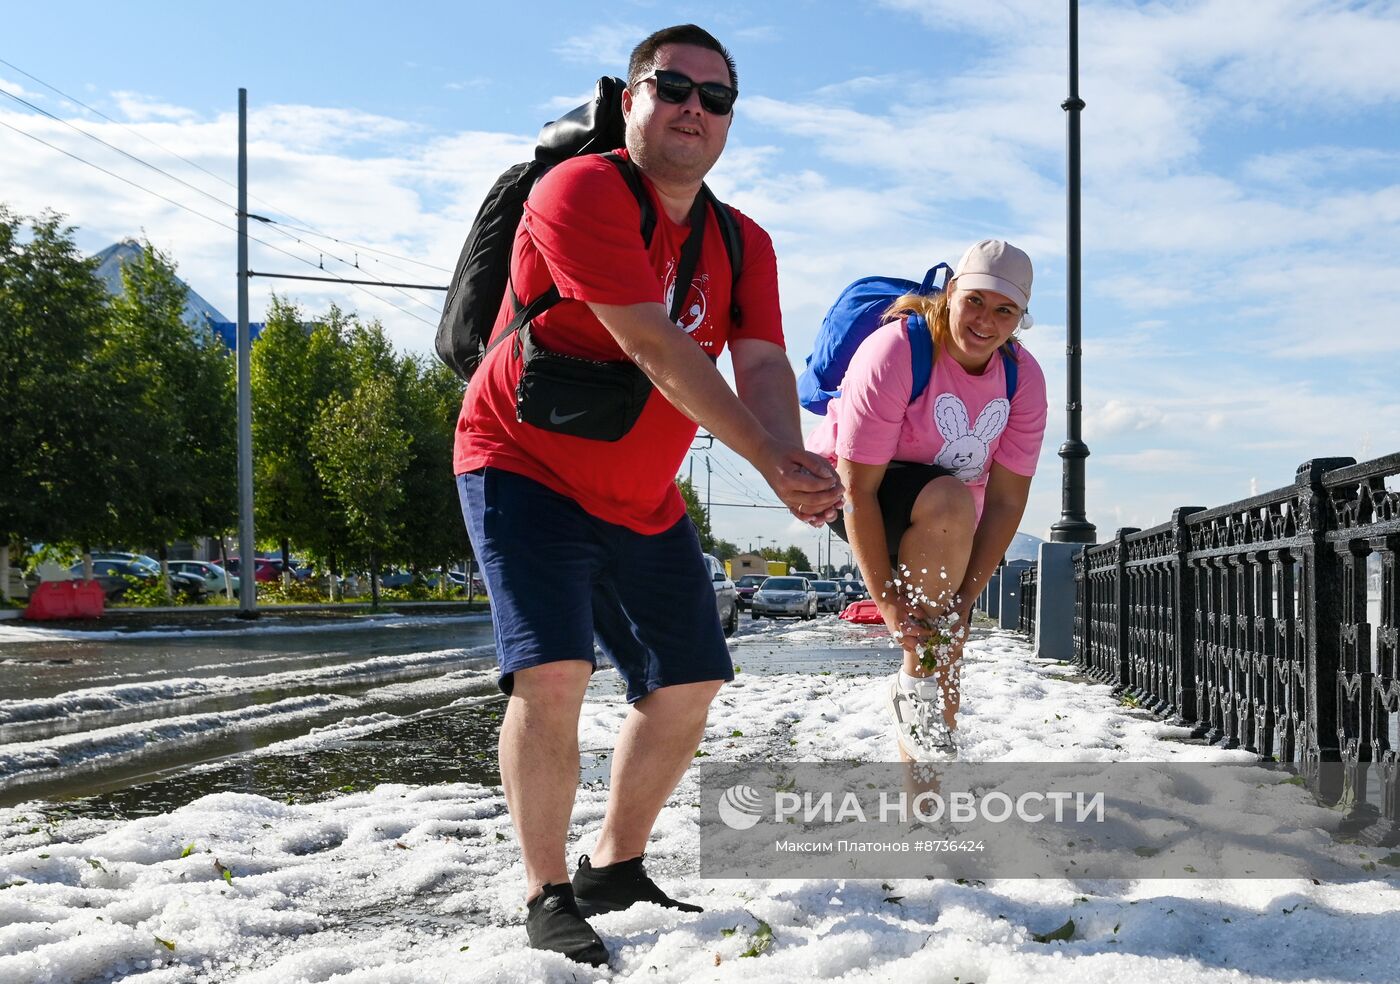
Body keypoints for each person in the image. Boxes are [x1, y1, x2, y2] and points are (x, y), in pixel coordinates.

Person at [452, 24, 844, 967]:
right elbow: (657, 347)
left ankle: (614, 867)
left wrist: (793, 459)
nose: (694, 111)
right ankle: (547, 891)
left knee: (690, 679)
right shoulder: (580, 190)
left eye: (716, 99)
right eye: (672, 88)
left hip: (642, 492)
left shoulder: (742, 240)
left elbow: (758, 357)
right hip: (522, 465)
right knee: (553, 672)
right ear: (630, 99)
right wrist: (767, 461)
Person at [806, 240, 1047, 760]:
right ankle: (925, 782)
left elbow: (1006, 502)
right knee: (946, 509)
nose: (986, 320)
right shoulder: (895, 351)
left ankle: (926, 777)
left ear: (1021, 319)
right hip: (862, 491)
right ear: (950, 293)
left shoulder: (1021, 378)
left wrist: (966, 603)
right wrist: (889, 606)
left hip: (951, 508)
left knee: (942, 636)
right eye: (975, 301)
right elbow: (859, 490)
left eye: (1005, 310)